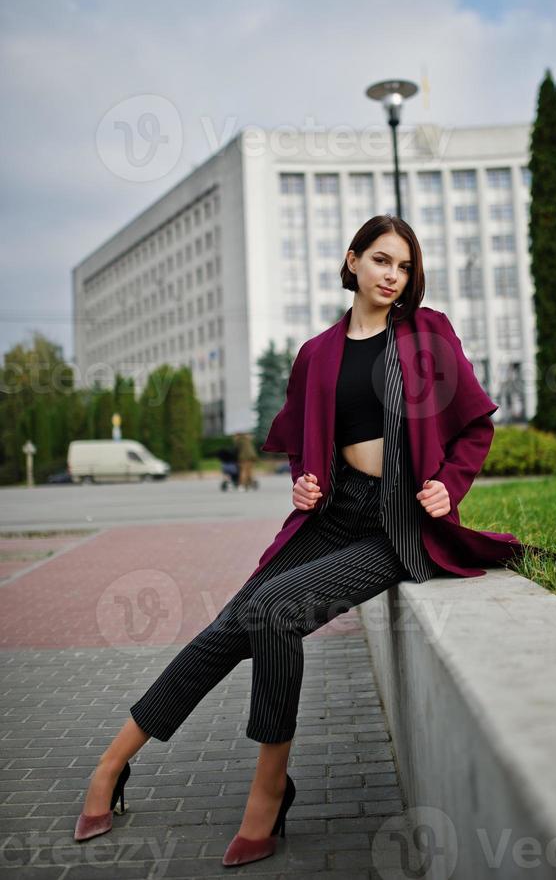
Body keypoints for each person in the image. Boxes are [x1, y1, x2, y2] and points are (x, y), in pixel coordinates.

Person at [71, 214, 513, 868]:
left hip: (395, 527)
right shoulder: (318, 353)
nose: (394, 275)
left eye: (404, 265)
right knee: (229, 627)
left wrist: (451, 484)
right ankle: (110, 765)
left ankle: (269, 789)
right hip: (333, 516)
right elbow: (301, 446)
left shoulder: (428, 335)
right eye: (382, 260)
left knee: (276, 610)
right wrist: (305, 481)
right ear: (353, 260)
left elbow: (476, 427)